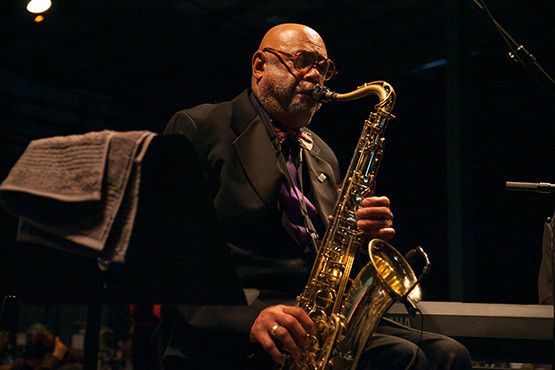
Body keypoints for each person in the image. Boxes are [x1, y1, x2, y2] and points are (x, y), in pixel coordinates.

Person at [158, 23, 472, 369]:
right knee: (401, 358)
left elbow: (325, 257)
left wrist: (359, 236)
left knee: (449, 354)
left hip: (315, 316)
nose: (315, 76)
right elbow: (169, 255)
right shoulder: (198, 127)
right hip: (243, 319)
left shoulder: (321, 152)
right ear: (260, 65)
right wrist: (248, 319)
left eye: (324, 67)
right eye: (302, 60)